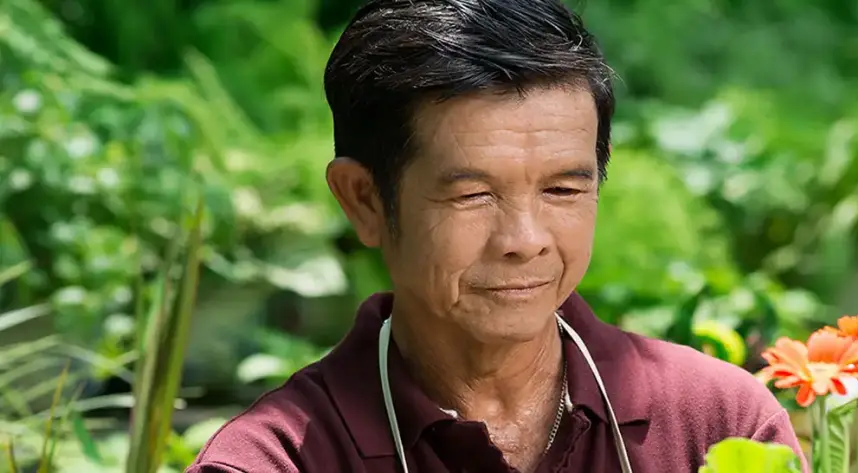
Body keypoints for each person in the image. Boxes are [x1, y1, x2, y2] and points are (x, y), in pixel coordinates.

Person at [186, 1, 802, 472]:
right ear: (365, 200)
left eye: (562, 189)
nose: (525, 239)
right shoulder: (275, 460)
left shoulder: (717, 427)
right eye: (472, 194)